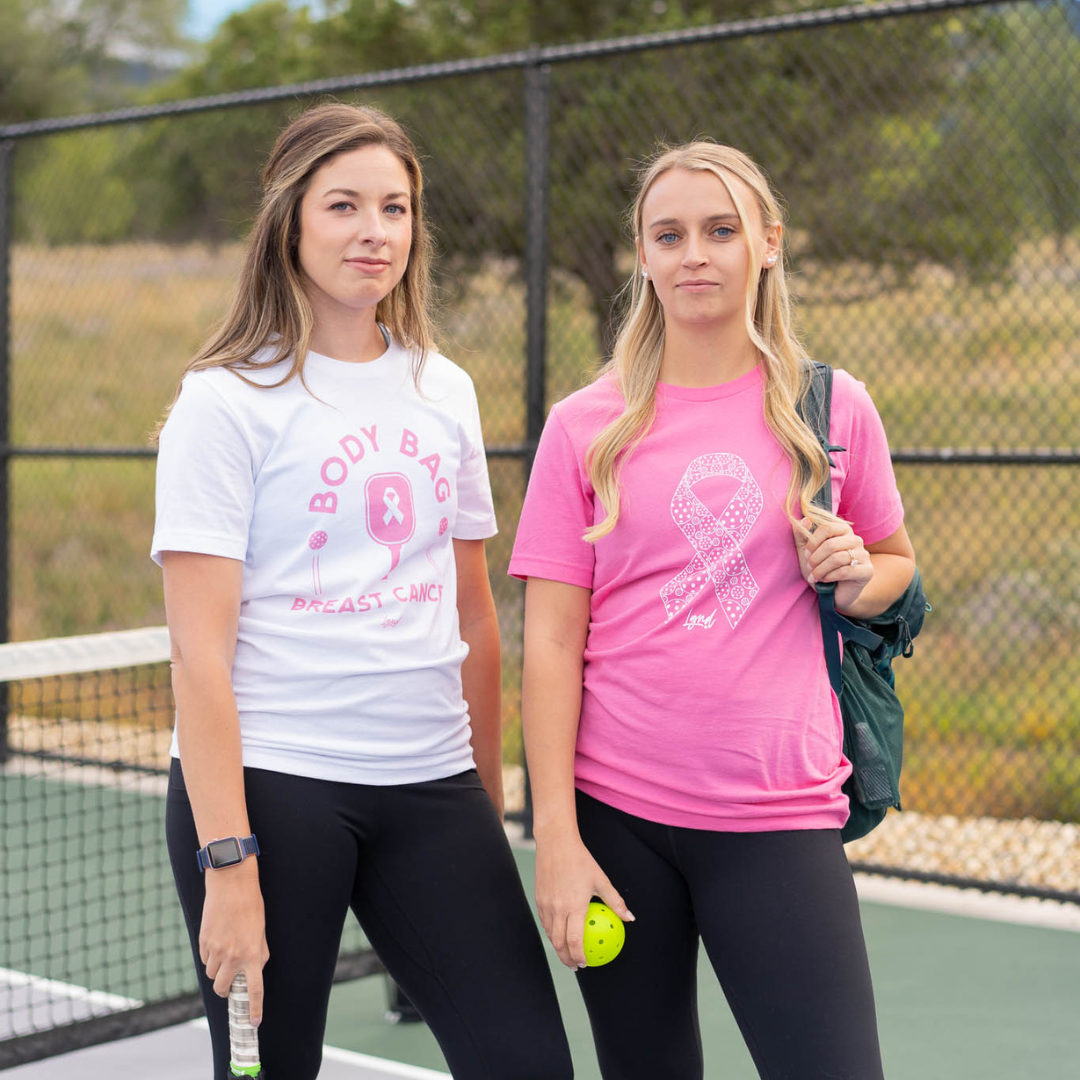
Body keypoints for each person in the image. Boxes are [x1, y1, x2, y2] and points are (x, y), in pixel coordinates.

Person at [152, 102, 572, 1080]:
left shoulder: (445, 389)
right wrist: (230, 865)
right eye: (344, 205)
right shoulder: (224, 403)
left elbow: (472, 613)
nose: (374, 230)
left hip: (431, 785)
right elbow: (198, 656)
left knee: (528, 1063)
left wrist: (485, 799)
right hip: (275, 790)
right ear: (291, 220)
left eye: (395, 207)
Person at [509, 141, 916, 1080]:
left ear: (767, 243)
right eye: (670, 234)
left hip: (780, 818)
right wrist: (558, 843)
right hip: (618, 821)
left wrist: (857, 577)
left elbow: (893, 566)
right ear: (643, 257)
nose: (695, 253)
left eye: (720, 230)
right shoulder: (584, 427)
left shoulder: (832, 410)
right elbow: (551, 644)